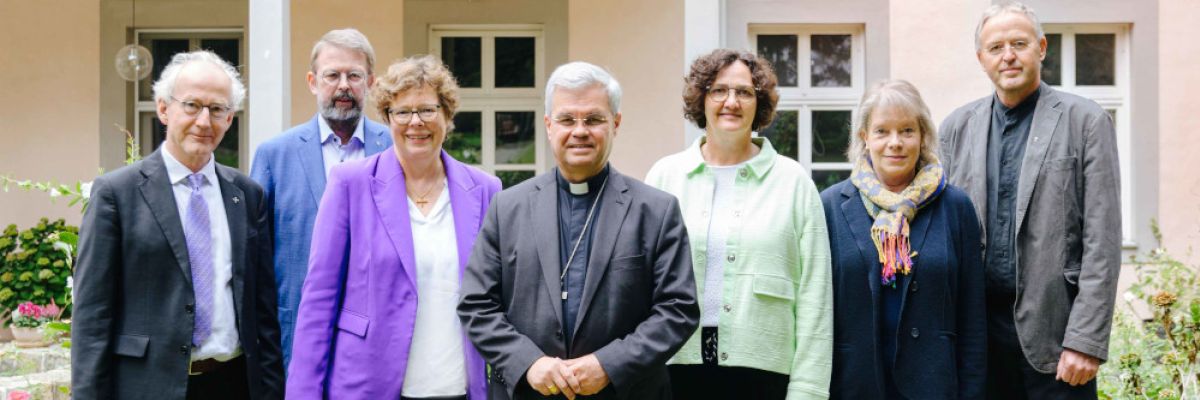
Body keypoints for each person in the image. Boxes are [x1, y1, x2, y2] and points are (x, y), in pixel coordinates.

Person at [458, 61, 699, 400]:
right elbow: (476, 304)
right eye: (567, 119)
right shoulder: (508, 208)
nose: (580, 130)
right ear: (548, 125)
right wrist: (528, 363)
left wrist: (608, 365)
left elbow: (678, 310)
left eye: (594, 119)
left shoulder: (656, 211)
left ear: (616, 123)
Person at [72, 50, 284, 399]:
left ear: (230, 119)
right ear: (163, 109)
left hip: (232, 383)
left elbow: (263, 311)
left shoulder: (247, 195)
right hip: (147, 386)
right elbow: (92, 316)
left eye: (217, 109)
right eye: (192, 105)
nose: (204, 121)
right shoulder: (117, 194)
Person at [285, 55, 500, 399]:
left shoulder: (486, 189)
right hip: (367, 384)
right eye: (402, 112)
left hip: (458, 386)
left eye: (428, 110)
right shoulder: (350, 184)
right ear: (387, 118)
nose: (416, 122)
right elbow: (319, 301)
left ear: (447, 116)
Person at [939, 2, 1121, 398]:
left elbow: (1102, 241)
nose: (1008, 56)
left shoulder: (1086, 121)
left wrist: (1085, 341)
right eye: (996, 47)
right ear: (981, 59)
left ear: (1041, 47)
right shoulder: (955, 128)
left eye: (1019, 43)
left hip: (1056, 340)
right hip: (977, 339)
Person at [645, 48, 833, 399]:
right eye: (719, 90)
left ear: (758, 104)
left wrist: (808, 391)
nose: (731, 101)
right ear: (701, 99)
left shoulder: (793, 182)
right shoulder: (664, 176)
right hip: (673, 371)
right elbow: (640, 286)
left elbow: (815, 298)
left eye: (744, 92)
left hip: (764, 378)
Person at [821, 80, 986, 399]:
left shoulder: (955, 207)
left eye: (907, 131)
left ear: (923, 136)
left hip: (935, 386)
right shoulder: (829, 207)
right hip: (854, 385)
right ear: (864, 137)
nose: (895, 142)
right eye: (882, 131)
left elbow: (973, 321)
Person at [249, 28, 392, 366]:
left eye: (354, 75)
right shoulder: (274, 155)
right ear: (313, 82)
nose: (344, 85)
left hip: (378, 338)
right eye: (332, 75)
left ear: (370, 82)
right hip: (295, 334)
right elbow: (256, 256)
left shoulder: (395, 150)